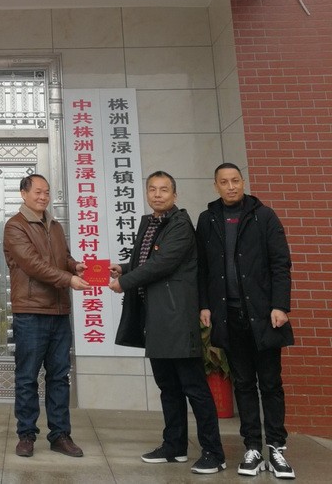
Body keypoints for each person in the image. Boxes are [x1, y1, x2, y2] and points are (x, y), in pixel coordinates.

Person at [110, 170, 226, 475]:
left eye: (164, 189)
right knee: (168, 387)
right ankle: (174, 446)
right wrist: (123, 269)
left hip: (176, 317)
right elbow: (145, 260)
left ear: (175, 194)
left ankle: (214, 453)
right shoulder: (150, 223)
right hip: (156, 318)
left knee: (194, 387)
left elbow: (162, 264)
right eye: (153, 189)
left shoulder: (180, 225)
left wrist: (125, 282)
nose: (158, 194)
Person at [196, 163, 295, 479]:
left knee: (270, 383)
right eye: (224, 182)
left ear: (243, 182)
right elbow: (203, 269)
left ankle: (276, 448)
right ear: (216, 186)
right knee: (243, 384)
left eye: (235, 181)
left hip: (265, 316)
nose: (231, 187)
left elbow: (281, 264)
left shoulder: (264, 216)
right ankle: (252, 447)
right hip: (229, 317)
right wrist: (205, 305)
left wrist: (280, 305)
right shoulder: (208, 219)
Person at [3, 174, 89, 459]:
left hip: (59, 311)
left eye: (47, 192)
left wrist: (76, 267)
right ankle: (26, 435)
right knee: (27, 377)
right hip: (31, 312)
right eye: (38, 192)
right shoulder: (15, 226)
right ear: (23, 194)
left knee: (59, 377)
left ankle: (60, 435)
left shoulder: (55, 225)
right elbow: (33, 265)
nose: (43, 197)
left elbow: (63, 258)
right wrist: (68, 279)